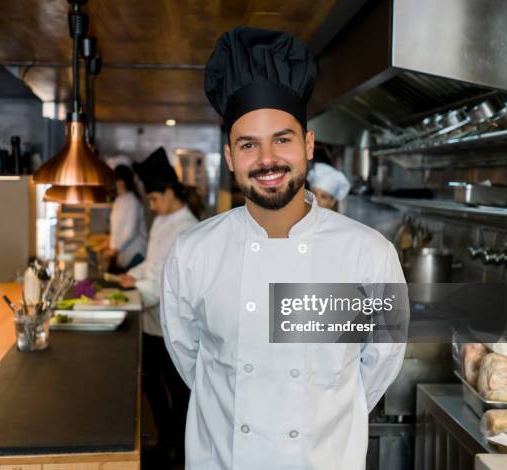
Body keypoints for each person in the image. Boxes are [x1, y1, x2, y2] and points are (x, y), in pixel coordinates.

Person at [160, 27, 407, 470]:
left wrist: (322, 424)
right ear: (231, 157)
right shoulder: (192, 253)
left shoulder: (368, 256)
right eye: (248, 144)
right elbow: (190, 359)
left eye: (283, 139)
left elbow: (376, 368)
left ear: (308, 146)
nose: (267, 159)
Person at [116, 147, 199, 467]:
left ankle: (176, 450)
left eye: (153, 199)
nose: (151, 206)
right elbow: (152, 267)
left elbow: (166, 282)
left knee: (177, 393)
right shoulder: (164, 219)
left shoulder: (184, 226)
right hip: (153, 322)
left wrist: (133, 286)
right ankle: (166, 443)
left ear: (167, 191)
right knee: (153, 386)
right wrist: (131, 277)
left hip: (173, 326)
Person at [104, 164, 147, 272]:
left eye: (113, 180)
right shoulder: (119, 200)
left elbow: (129, 232)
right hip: (123, 254)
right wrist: (110, 243)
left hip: (135, 255)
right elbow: (116, 229)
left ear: (121, 182)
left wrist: (114, 249)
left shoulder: (132, 201)